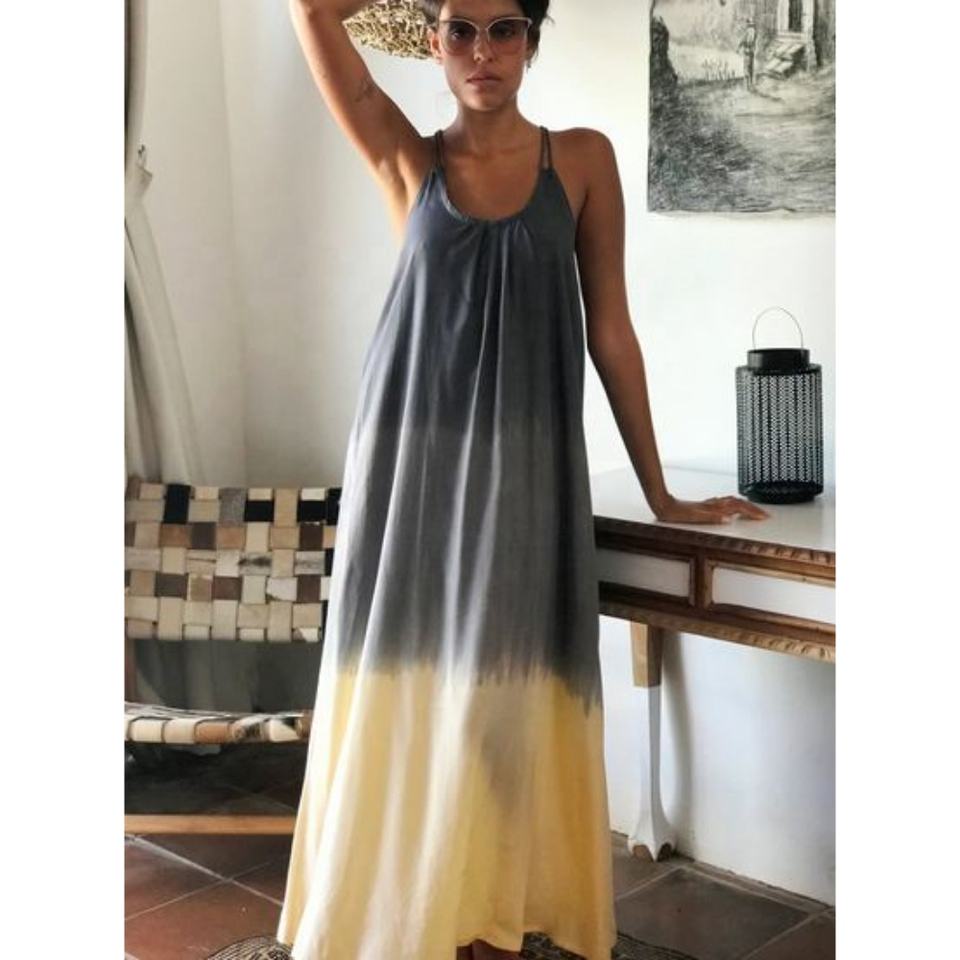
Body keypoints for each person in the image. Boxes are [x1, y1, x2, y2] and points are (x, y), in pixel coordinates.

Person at [277, 1, 771, 958]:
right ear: (433, 41)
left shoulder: (581, 161)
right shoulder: (405, 158)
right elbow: (310, 10)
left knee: (507, 699)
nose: (483, 51)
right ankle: (410, 919)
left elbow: (611, 332)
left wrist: (661, 491)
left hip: (528, 474)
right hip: (411, 474)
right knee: (410, 695)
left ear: (532, 43)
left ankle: (491, 914)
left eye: (504, 29)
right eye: (460, 29)